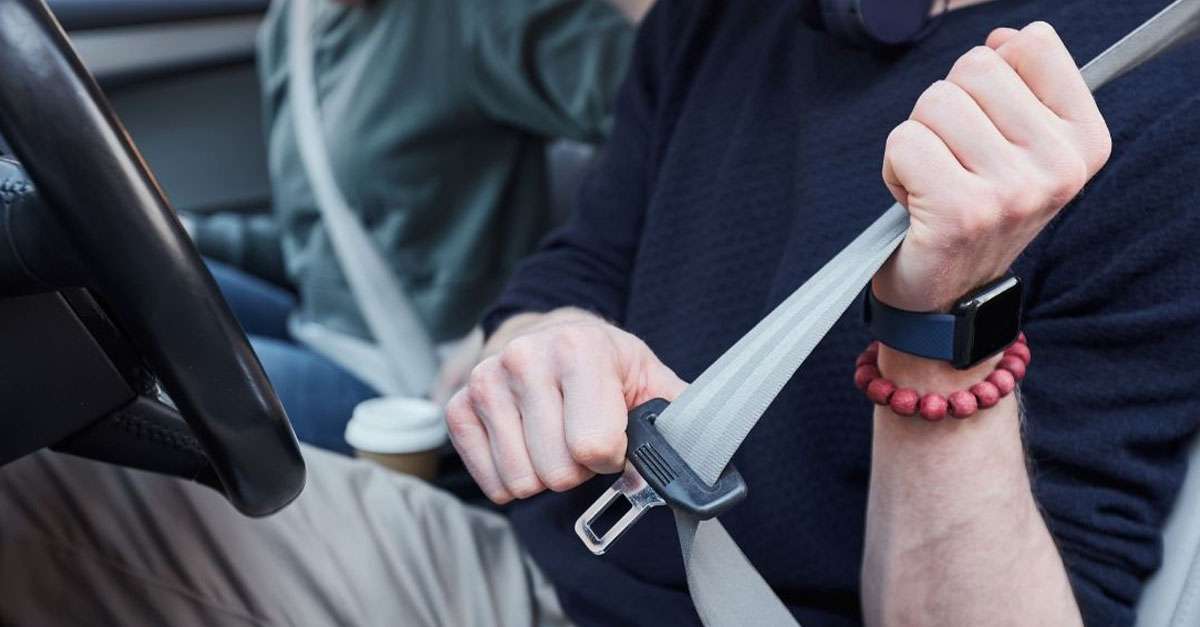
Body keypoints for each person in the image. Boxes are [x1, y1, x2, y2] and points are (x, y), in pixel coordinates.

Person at [3, 1, 1199, 625]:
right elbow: (565, 274)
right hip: (513, 572)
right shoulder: (729, 18)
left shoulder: (1154, 102)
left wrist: (949, 325)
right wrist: (536, 356)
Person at [186, 0, 650, 453]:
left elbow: (673, 118)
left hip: (423, 386)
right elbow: (318, 243)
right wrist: (194, 234)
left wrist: (532, 307)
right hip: (321, 329)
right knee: (150, 285)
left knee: (178, 376)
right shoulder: (294, 20)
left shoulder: (481, 15)